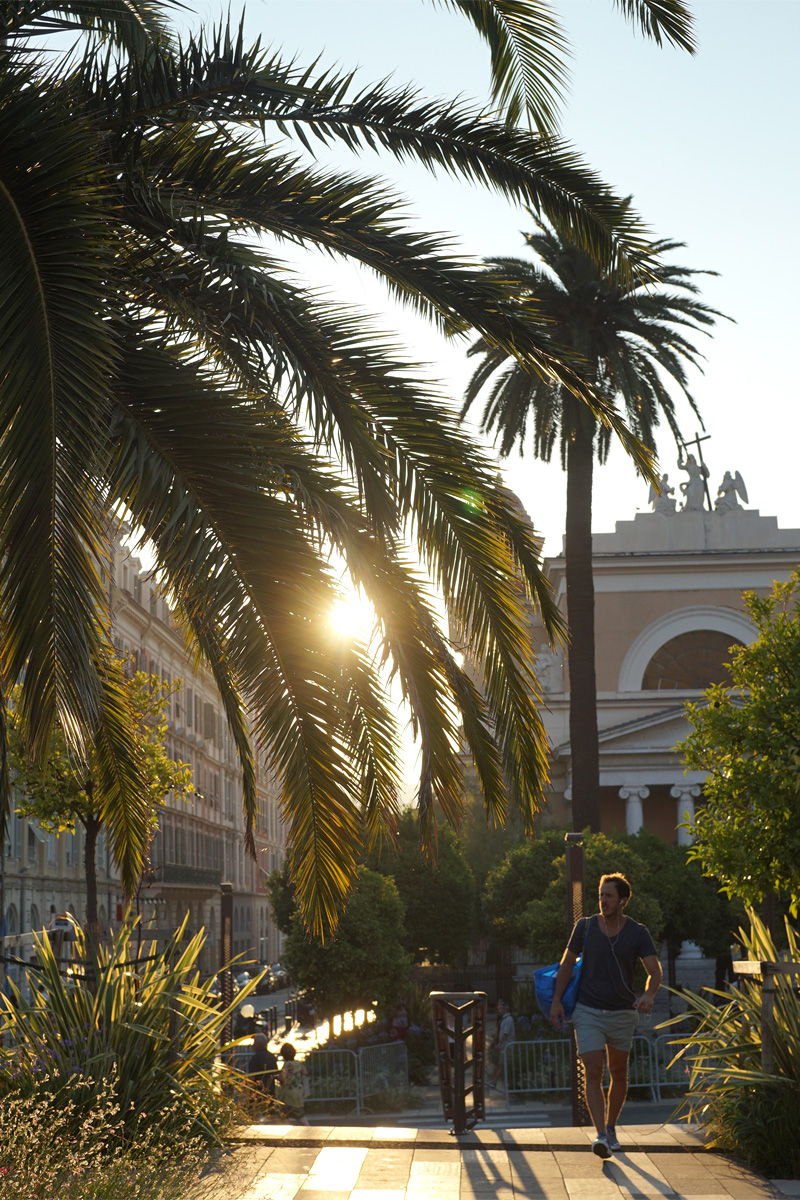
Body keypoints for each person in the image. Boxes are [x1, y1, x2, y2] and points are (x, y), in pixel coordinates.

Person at [549, 873, 662, 1159]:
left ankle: (611, 1127)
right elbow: (566, 965)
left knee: (618, 1072)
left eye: (609, 895)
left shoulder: (638, 932)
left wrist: (648, 995)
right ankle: (600, 1135)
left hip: (622, 1012)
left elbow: (654, 971)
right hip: (588, 1010)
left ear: (622, 900)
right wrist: (556, 1001)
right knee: (593, 1069)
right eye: (600, 895)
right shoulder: (585, 926)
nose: (603, 900)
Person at [275, 1042, 310, 1125]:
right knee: (299, 1113)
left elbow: (283, 1078)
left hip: (288, 1092)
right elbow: (305, 1074)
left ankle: (289, 1127)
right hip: (298, 1091)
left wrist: (276, 1077)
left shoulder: (287, 1065)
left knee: (284, 1114)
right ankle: (307, 1126)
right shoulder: (299, 1064)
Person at [490, 997, 515, 1088]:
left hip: (506, 1046)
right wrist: (495, 1041)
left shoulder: (508, 1020)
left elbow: (505, 1034)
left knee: (501, 1065)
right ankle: (493, 1080)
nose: (499, 1011)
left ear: (505, 1009)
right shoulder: (503, 1019)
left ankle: (494, 1081)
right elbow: (500, 1032)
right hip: (503, 1047)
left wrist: (499, 1044)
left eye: (500, 1009)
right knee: (498, 1064)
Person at [247, 1031, 278, 1098]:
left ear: (258, 1044)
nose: (253, 1045)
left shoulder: (256, 1058)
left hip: (258, 1093)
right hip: (270, 1092)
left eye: (254, 1043)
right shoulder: (272, 1057)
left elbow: (252, 1076)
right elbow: (276, 1073)